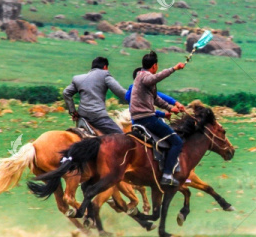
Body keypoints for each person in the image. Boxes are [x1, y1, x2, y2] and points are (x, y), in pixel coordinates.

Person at [130, 52, 186, 186]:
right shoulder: (145, 76)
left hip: (141, 118)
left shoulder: (140, 77)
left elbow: (155, 98)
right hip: (147, 118)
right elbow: (153, 79)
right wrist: (174, 69)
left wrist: (170, 108)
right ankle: (167, 174)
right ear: (154, 66)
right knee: (177, 142)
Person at [62, 57, 127, 135]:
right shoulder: (105, 74)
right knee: (123, 138)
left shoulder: (78, 78)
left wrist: (73, 111)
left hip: (82, 117)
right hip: (98, 117)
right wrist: (134, 100)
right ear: (105, 67)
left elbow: (66, 93)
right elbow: (121, 92)